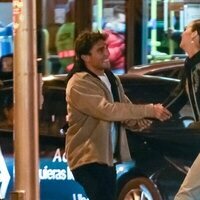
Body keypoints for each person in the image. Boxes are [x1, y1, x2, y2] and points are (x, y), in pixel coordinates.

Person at [65, 31, 171, 200]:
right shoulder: (79, 82)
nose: (107, 53)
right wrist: (149, 110)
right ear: (85, 57)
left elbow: (125, 108)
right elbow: (108, 110)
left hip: (107, 158)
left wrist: (141, 123)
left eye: (106, 48)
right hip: (87, 158)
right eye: (100, 50)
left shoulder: (111, 78)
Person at [163, 19, 200, 200]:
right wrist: (152, 113)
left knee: (186, 195)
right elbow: (178, 97)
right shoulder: (190, 64)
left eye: (186, 29)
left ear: (194, 35)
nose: (182, 32)